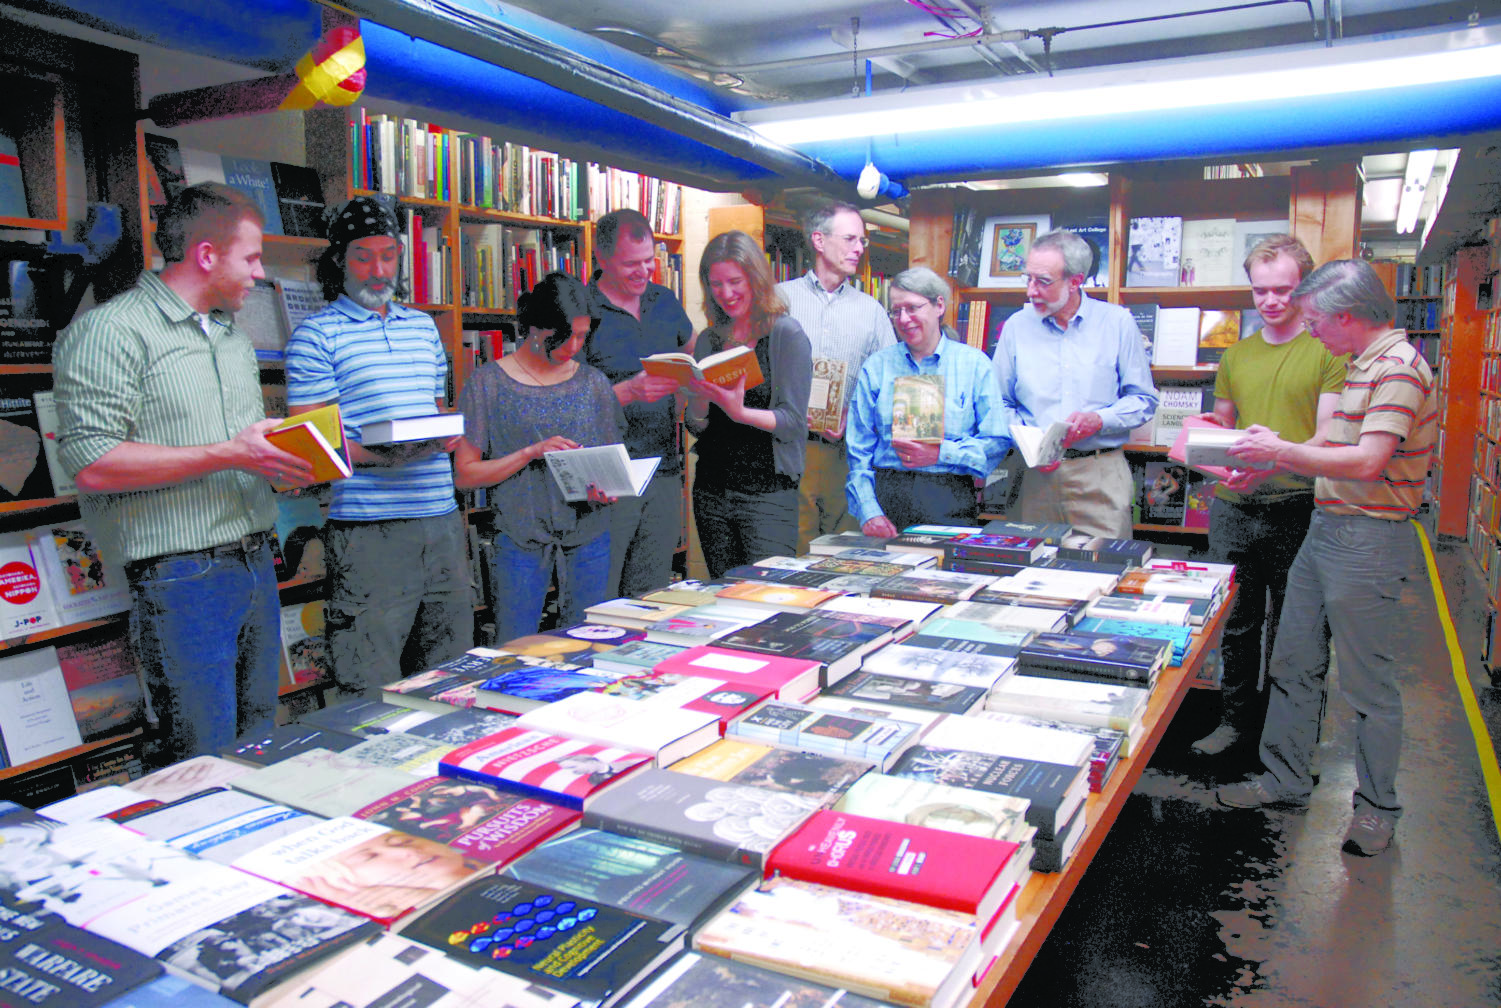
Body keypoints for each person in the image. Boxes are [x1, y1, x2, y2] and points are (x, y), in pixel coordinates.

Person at [51, 182, 315, 768]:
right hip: (180, 577)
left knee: (257, 746)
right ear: (206, 255)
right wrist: (230, 453)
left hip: (256, 560)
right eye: (251, 257)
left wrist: (278, 461)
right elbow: (91, 464)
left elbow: (237, 448)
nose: (259, 273)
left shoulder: (231, 336)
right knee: (201, 757)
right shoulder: (110, 331)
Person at [1217, 259, 1438, 858]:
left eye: (1315, 319)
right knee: (1294, 660)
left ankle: (1377, 809)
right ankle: (1284, 778)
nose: (1310, 329)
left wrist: (1280, 451)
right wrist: (1270, 460)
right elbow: (1328, 445)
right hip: (1325, 526)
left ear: (1347, 315)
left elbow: (1367, 461)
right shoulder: (1362, 364)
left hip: (1369, 536)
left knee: (1368, 684)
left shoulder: (1398, 369)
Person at [284, 195, 472, 700]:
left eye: (388, 256)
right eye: (364, 257)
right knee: (370, 679)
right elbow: (312, 449)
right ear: (340, 259)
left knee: (450, 674)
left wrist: (444, 437)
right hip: (369, 532)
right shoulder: (315, 337)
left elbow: (435, 412)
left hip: (441, 521)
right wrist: (388, 455)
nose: (378, 270)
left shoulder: (423, 327)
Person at [1189, 235, 1347, 757]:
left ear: (1306, 287)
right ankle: (1235, 723)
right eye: (1260, 291)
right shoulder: (1236, 355)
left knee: (1296, 632)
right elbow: (1223, 429)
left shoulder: (1326, 351)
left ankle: (1289, 742)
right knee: (1236, 623)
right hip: (1234, 508)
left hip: (1297, 506)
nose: (1271, 300)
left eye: (1283, 289)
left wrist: (1272, 462)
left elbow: (1327, 438)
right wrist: (1214, 450)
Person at [454, 272, 621, 641]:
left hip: (588, 537)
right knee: (517, 648)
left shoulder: (594, 384)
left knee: (588, 646)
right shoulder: (488, 384)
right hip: (519, 539)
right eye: (565, 336)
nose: (574, 346)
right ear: (535, 328)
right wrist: (530, 452)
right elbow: (464, 475)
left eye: (582, 336)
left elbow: (609, 461)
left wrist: (606, 489)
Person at [991, 228, 1159, 538]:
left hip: (1098, 474)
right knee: (1029, 564)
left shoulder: (1117, 323)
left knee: (1104, 564)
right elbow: (998, 401)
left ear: (1075, 281)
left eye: (1043, 281)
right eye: (1028, 278)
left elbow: (1143, 400)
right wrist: (1029, 442)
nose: (1031, 291)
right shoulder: (1016, 326)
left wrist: (1100, 420)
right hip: (1034, 476)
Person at [845, 267, 1009, 535]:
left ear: (939, 306)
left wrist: (941, 453)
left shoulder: (975, 365)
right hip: (887, 500)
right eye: (896, 311)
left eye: (912, 308)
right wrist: (868, 511)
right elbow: (858, 450)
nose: (903, 319)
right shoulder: (877, 367)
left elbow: (997, 441)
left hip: (950, 498)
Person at [686, 230, 813, 578]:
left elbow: (793, 423)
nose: (726, 294)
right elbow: (697, 425)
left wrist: (740, 413)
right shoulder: (709, 339)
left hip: (767, 492)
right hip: (712, 489)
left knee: (768, 593)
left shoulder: (785, 334)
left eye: (735, 282)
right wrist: (698, 400)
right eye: (716, 284)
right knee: (721, 592)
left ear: (756, 279)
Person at [584, 208, 695, 598]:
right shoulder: (582, 310)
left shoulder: (664, 301)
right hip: (606, 478)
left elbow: (691, 353)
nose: (644, 271)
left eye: (649, 261)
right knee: (601, 597)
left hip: (663, 469)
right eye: (631, 263)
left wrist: (692, 381)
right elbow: (562, 401)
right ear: (601, 258)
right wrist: (627, 391)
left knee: (651, 595)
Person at [776, 201, 897, 550]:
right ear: (819, 240)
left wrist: (853, 416)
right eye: (850, 239)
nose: (858, 248)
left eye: (862, 241)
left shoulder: (872, 312)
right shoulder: (779, 300)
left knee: (841, 551)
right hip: (786, 451)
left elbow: (889, 385)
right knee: (791, 552)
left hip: (844, 454)